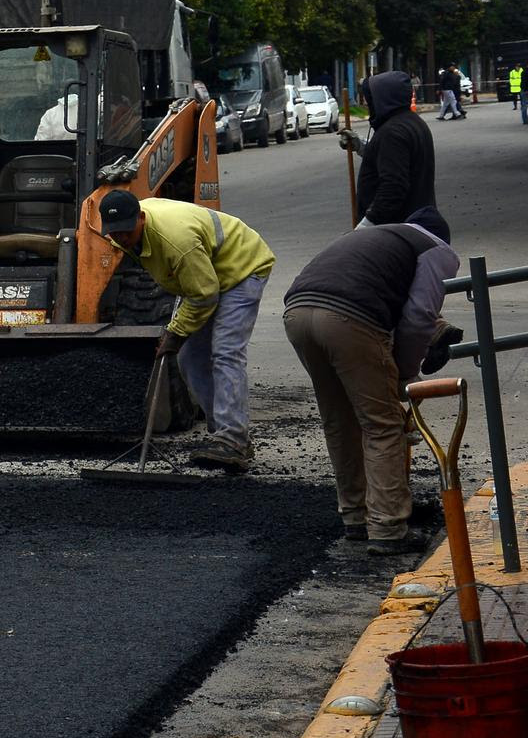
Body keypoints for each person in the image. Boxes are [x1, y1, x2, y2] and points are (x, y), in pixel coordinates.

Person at [283, 207, 458, 556]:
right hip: (349, 318)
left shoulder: (374, 237)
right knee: (382, 425)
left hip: (297, 312)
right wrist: (405, 376)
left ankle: (356, 516)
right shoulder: (437, 249)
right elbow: (418, 315)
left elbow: (396, 299)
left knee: (340, 421)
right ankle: (389, 527)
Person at [97, 191, 275, 471]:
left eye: (126, 232)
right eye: (115, 233)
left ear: (141, 218)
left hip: (242, 268)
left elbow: (204, 296)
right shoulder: (124, 231)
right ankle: (224, 437)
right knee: (190, 358)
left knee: (226, 353)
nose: (121, 238)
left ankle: (233, 440)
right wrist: (178, 335)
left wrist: (176, 333)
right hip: (204, 274)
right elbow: (195, 285)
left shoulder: (176, 241)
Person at [346, 71, 436, 229]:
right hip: (412, 224)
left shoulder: (392, 132)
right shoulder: (411, 122)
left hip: (395, 229)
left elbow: (393, 187)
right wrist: (360, 145)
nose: (367, 104)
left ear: (383, 99)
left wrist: (367, 224)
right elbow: (390, 159)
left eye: (371, 99)